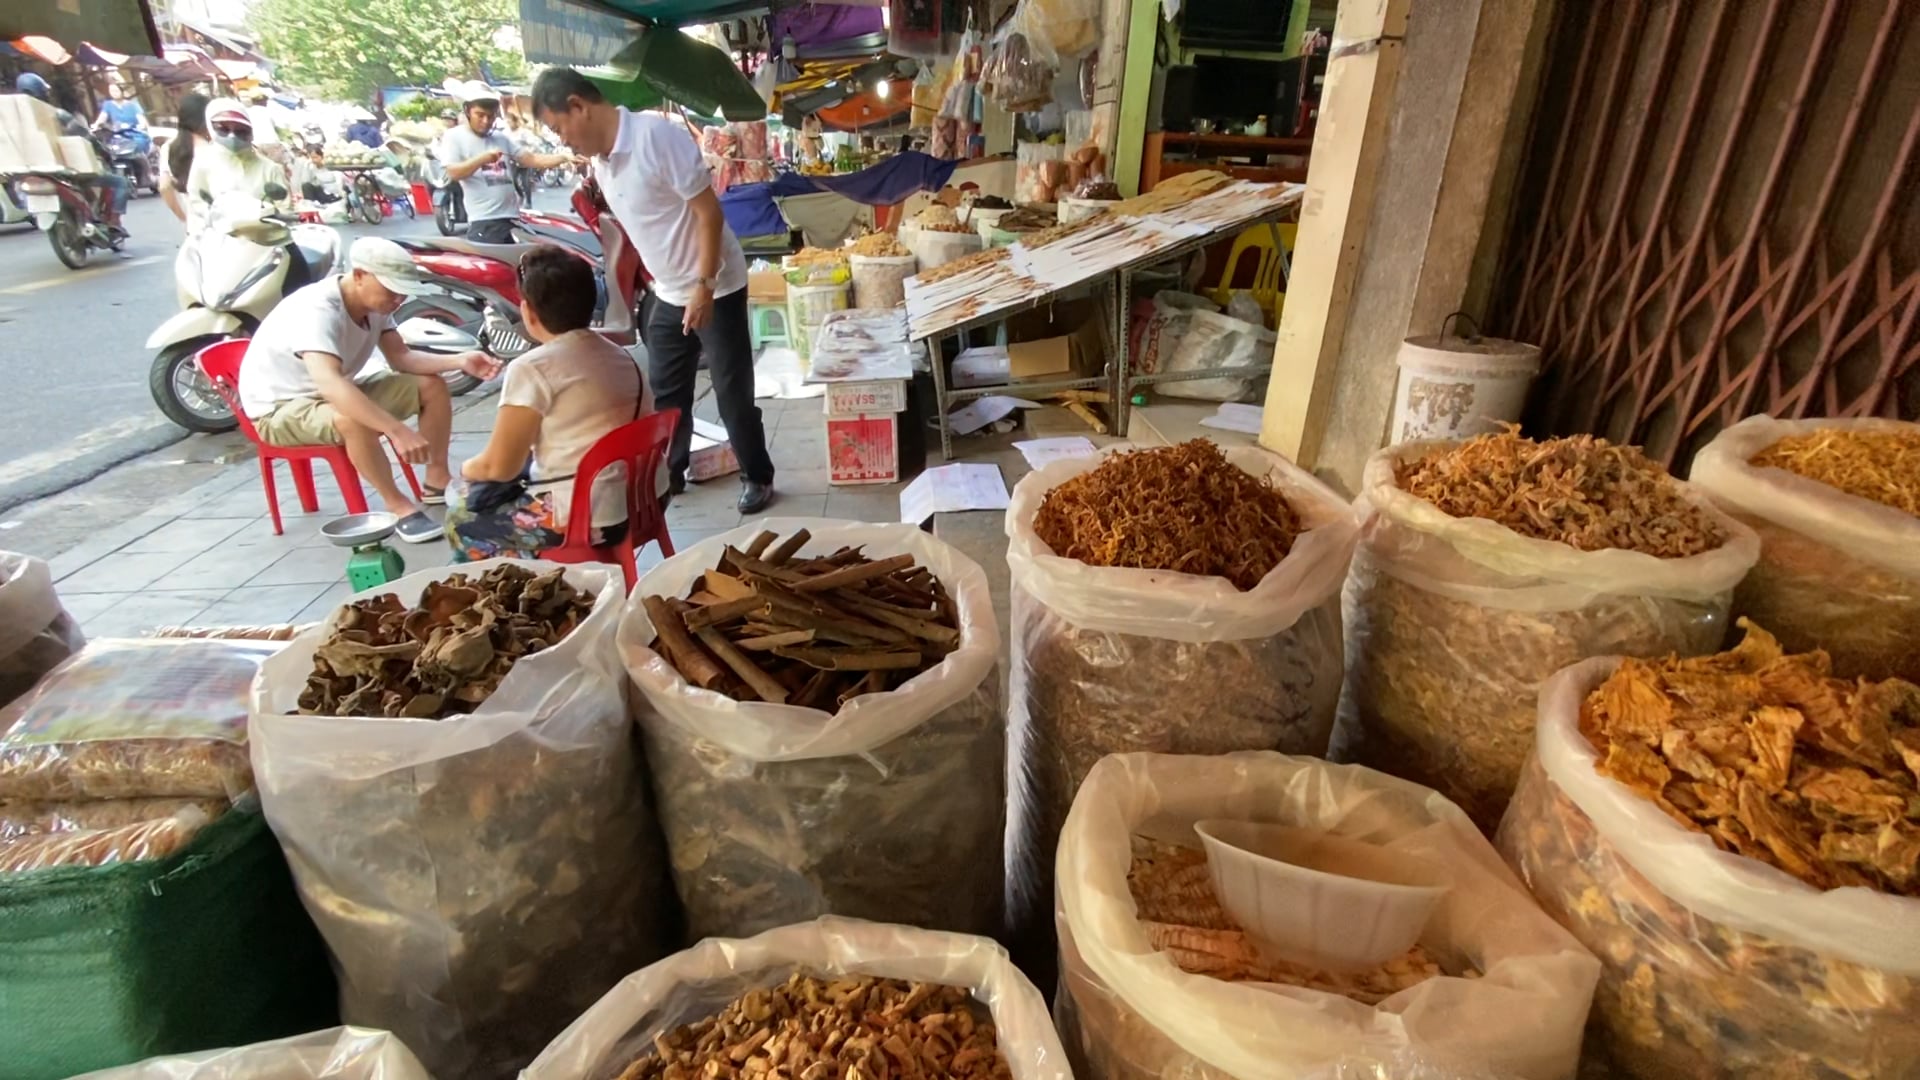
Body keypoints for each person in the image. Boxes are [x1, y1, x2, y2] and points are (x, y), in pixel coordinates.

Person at [532, 67, 775, 514]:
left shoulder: (654, 137)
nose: (561, 139)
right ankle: (672, 472)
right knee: (666, 390)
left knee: (730, 391)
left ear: (578, 106)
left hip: (714, 285)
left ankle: (757, 475)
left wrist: (703, 286)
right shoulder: (600, 164)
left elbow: (708, 214)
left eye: (557, 126)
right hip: (667, 290)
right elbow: (646, 228)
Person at [237, 237, 502, 544]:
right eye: (391, 289)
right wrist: (396, 431)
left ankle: (436, 480)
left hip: (331, 393)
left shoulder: (377, 304)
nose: (398, 298)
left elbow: (401, 358)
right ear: (360, 275)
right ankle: (398, 506)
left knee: (430, 386)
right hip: (279, 408)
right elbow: (330, 383)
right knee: (352, 418)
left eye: (401, 290)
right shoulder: (318, 310)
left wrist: (459, 361)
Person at [446, 247, 656, 561]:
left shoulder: (532, 368)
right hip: (645, 501)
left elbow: (498, 466)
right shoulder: (621, 354)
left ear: (528, 311)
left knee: (460, 518)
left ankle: (511, 595)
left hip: (591, 518)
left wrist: (463, 470)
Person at [437, 84, 575, 244]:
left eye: (491, 116)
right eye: (480, 115)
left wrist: (565, 157)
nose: (485, 121)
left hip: (512, 218)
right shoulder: (454, 137)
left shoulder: (500, 137)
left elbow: (530, 159)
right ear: (467, 111)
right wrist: (482, 159)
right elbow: (453, 172)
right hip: (485, 222)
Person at [13, 73, 129, 237]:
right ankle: (114, 222)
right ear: (42, 92)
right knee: (120, 182)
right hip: (66, 170)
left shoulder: (15, 122)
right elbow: (84, 135)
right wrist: (101, 148)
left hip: (27, 171)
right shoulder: (56, 114)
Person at [186, 99, 290, 231]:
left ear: (250, 132)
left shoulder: (269, 168)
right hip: (220, 240)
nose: (232, 136)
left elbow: (285, 209)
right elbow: (196, 203)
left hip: (264, 241)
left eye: (241, 131)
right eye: (223, 129)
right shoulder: (203, 163)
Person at [160, 91, 210, 225]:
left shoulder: (169, 147)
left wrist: (183, 218)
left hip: (195, 222)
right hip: (221, 223)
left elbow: (164, 187)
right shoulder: (212, 147)